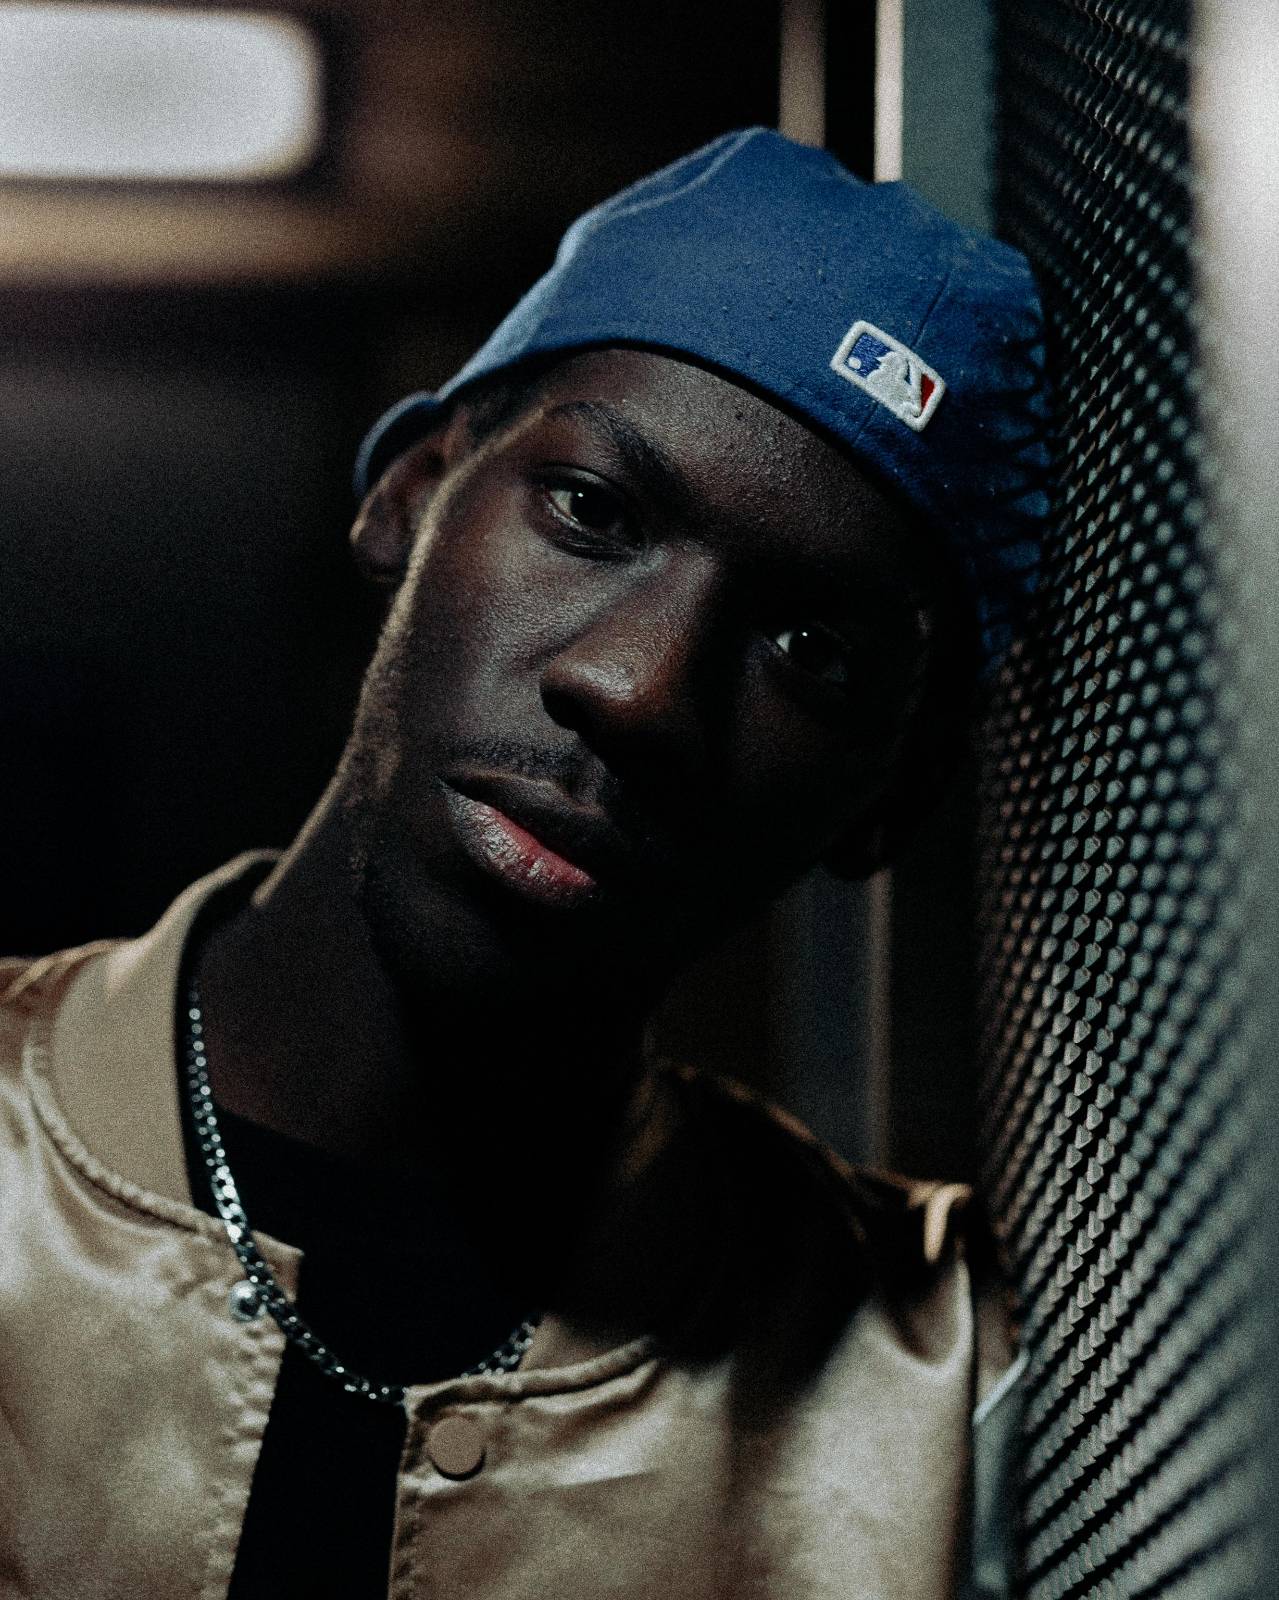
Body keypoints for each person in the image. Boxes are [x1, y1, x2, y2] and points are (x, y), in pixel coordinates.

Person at [0, 129, 1048, 1599]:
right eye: (593, 512)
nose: (640, 689)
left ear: (894, 799)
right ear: (413, 493)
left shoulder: (952, 1386)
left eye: (812, 652)